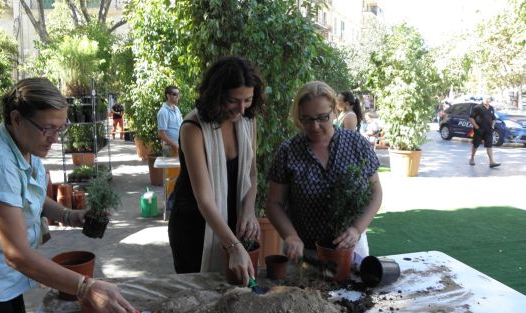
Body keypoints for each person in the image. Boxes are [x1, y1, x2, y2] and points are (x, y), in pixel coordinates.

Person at [0, 78, 136, 313]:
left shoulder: (25, 142)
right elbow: (16, 254)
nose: (56, 138)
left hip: (7, 280)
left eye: (61, 128)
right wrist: (85, 287)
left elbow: (28, 197)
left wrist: (70, 215)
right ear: (16, 119)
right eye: (48, 128)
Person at [168, 56, 265, 286]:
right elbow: (205, 199)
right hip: (194, 226)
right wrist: (233, 246)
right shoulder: (193, 128)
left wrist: (249, 211)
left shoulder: (248, 121)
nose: (241, 109)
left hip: (231, 219)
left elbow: (252, 173)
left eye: (248, 100)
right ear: (217, 94)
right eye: (234, 100)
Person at [265, 81, 382, 262]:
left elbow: (376, 193)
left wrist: (356, 229)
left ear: (335, 112)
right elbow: (274, 203)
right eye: (307, 119)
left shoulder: (356, 144)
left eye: (322, 117)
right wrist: (290, 236)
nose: (315, 126)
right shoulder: (288, 151)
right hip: (305, 253)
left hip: (351, 247)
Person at [468, 96, 501, 168]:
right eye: (487, 99)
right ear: (483, 99)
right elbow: (471, 118)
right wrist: (477, 127)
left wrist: (492, 126)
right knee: (476, 145)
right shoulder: (477, 107)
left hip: (488, 130)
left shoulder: (491, 108)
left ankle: (491, 162)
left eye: (489, 99)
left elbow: (494, 119)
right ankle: (472, 159)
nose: (488, 100)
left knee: (489, 145)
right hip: (479, 130)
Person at [157, 86, 183, 156]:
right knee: (169, 167)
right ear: (168, 96)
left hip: (178, 146)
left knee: (178, 167)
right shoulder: (163, 112)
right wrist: (175, 145)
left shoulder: (177, 109)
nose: (177, 96)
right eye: (175, 94)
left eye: (178, 94)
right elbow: (161, 134)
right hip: (169, 148)